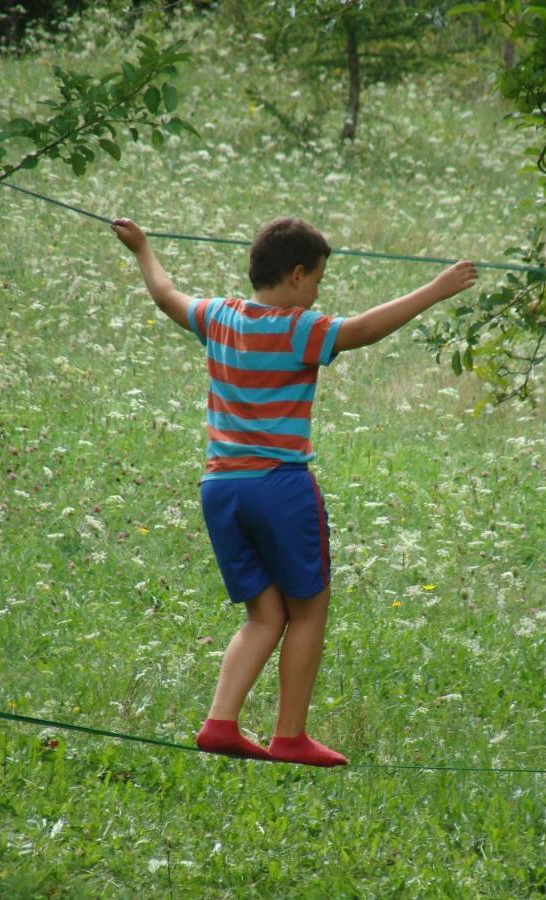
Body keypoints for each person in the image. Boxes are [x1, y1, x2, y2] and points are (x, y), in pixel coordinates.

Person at [112, 216, 477, 766]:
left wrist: (142, 248)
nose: (318, 296)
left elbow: (165, 295)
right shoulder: (297, 327)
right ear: (297, 274)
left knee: (264, 615)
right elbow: (362, 331)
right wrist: (436, 289)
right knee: (308, 611)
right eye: (318, 283)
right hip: (279, 487)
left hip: (220, 489)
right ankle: (289, 736)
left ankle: (220, 723)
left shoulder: (218, 316)